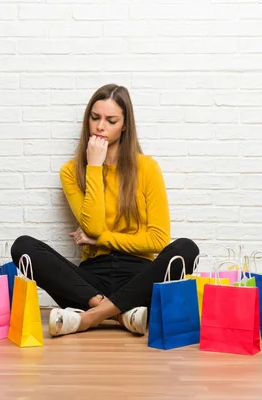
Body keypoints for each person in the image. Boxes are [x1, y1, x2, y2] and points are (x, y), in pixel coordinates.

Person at [11, 84, 199, 337]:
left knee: (186, 249)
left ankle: (89, 318)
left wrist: (102, 239)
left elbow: (157, 240)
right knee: (23, 246)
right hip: (90, 283)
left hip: (139, 277)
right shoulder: (71, 171)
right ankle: (122, 315)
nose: (100, 126)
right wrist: (95, 167)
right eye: (95, 118)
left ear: (124, 126)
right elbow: (93, 226)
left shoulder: (147, 168)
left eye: (111, 120)